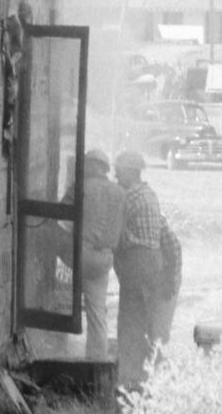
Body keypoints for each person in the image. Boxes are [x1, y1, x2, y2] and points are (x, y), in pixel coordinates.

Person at [112, 147, 181, 392]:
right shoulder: (150, 195)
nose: (116, 176)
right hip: (153, 263)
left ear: (131, 172)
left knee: (131, 321)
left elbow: (114, 227)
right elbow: (169, 239)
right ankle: (152, 377)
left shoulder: (129, 197)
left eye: (119, 172)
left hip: (137, 261)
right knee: (151, 324)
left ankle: (129, 380)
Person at [76, 149, 125, 363]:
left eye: (87, 163)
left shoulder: (82, 187)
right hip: (105, 257)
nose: (84, 167)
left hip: (82, 254)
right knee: (97, 311)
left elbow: (62, 216)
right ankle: (96, 360)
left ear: (94, 166)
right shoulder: (119, 192)